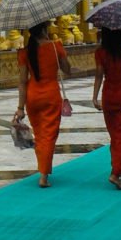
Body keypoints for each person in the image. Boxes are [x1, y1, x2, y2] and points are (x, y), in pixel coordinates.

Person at [15, 22, 71, 188]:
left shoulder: (25, 52)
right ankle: (43, 175)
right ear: (44, 30)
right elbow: (67, 69)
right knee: (49, 136)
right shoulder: (55, 47)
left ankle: (43, 169)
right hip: (51, 95)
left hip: (33, 97)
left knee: (40, 135)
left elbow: (22, 81)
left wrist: (20, 107)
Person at [91, 27, 121, 190]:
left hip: (108, 98)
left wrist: (94, 96)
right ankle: (116, 172)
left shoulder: (100, 52)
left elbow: (99, 74)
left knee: (116, 137)